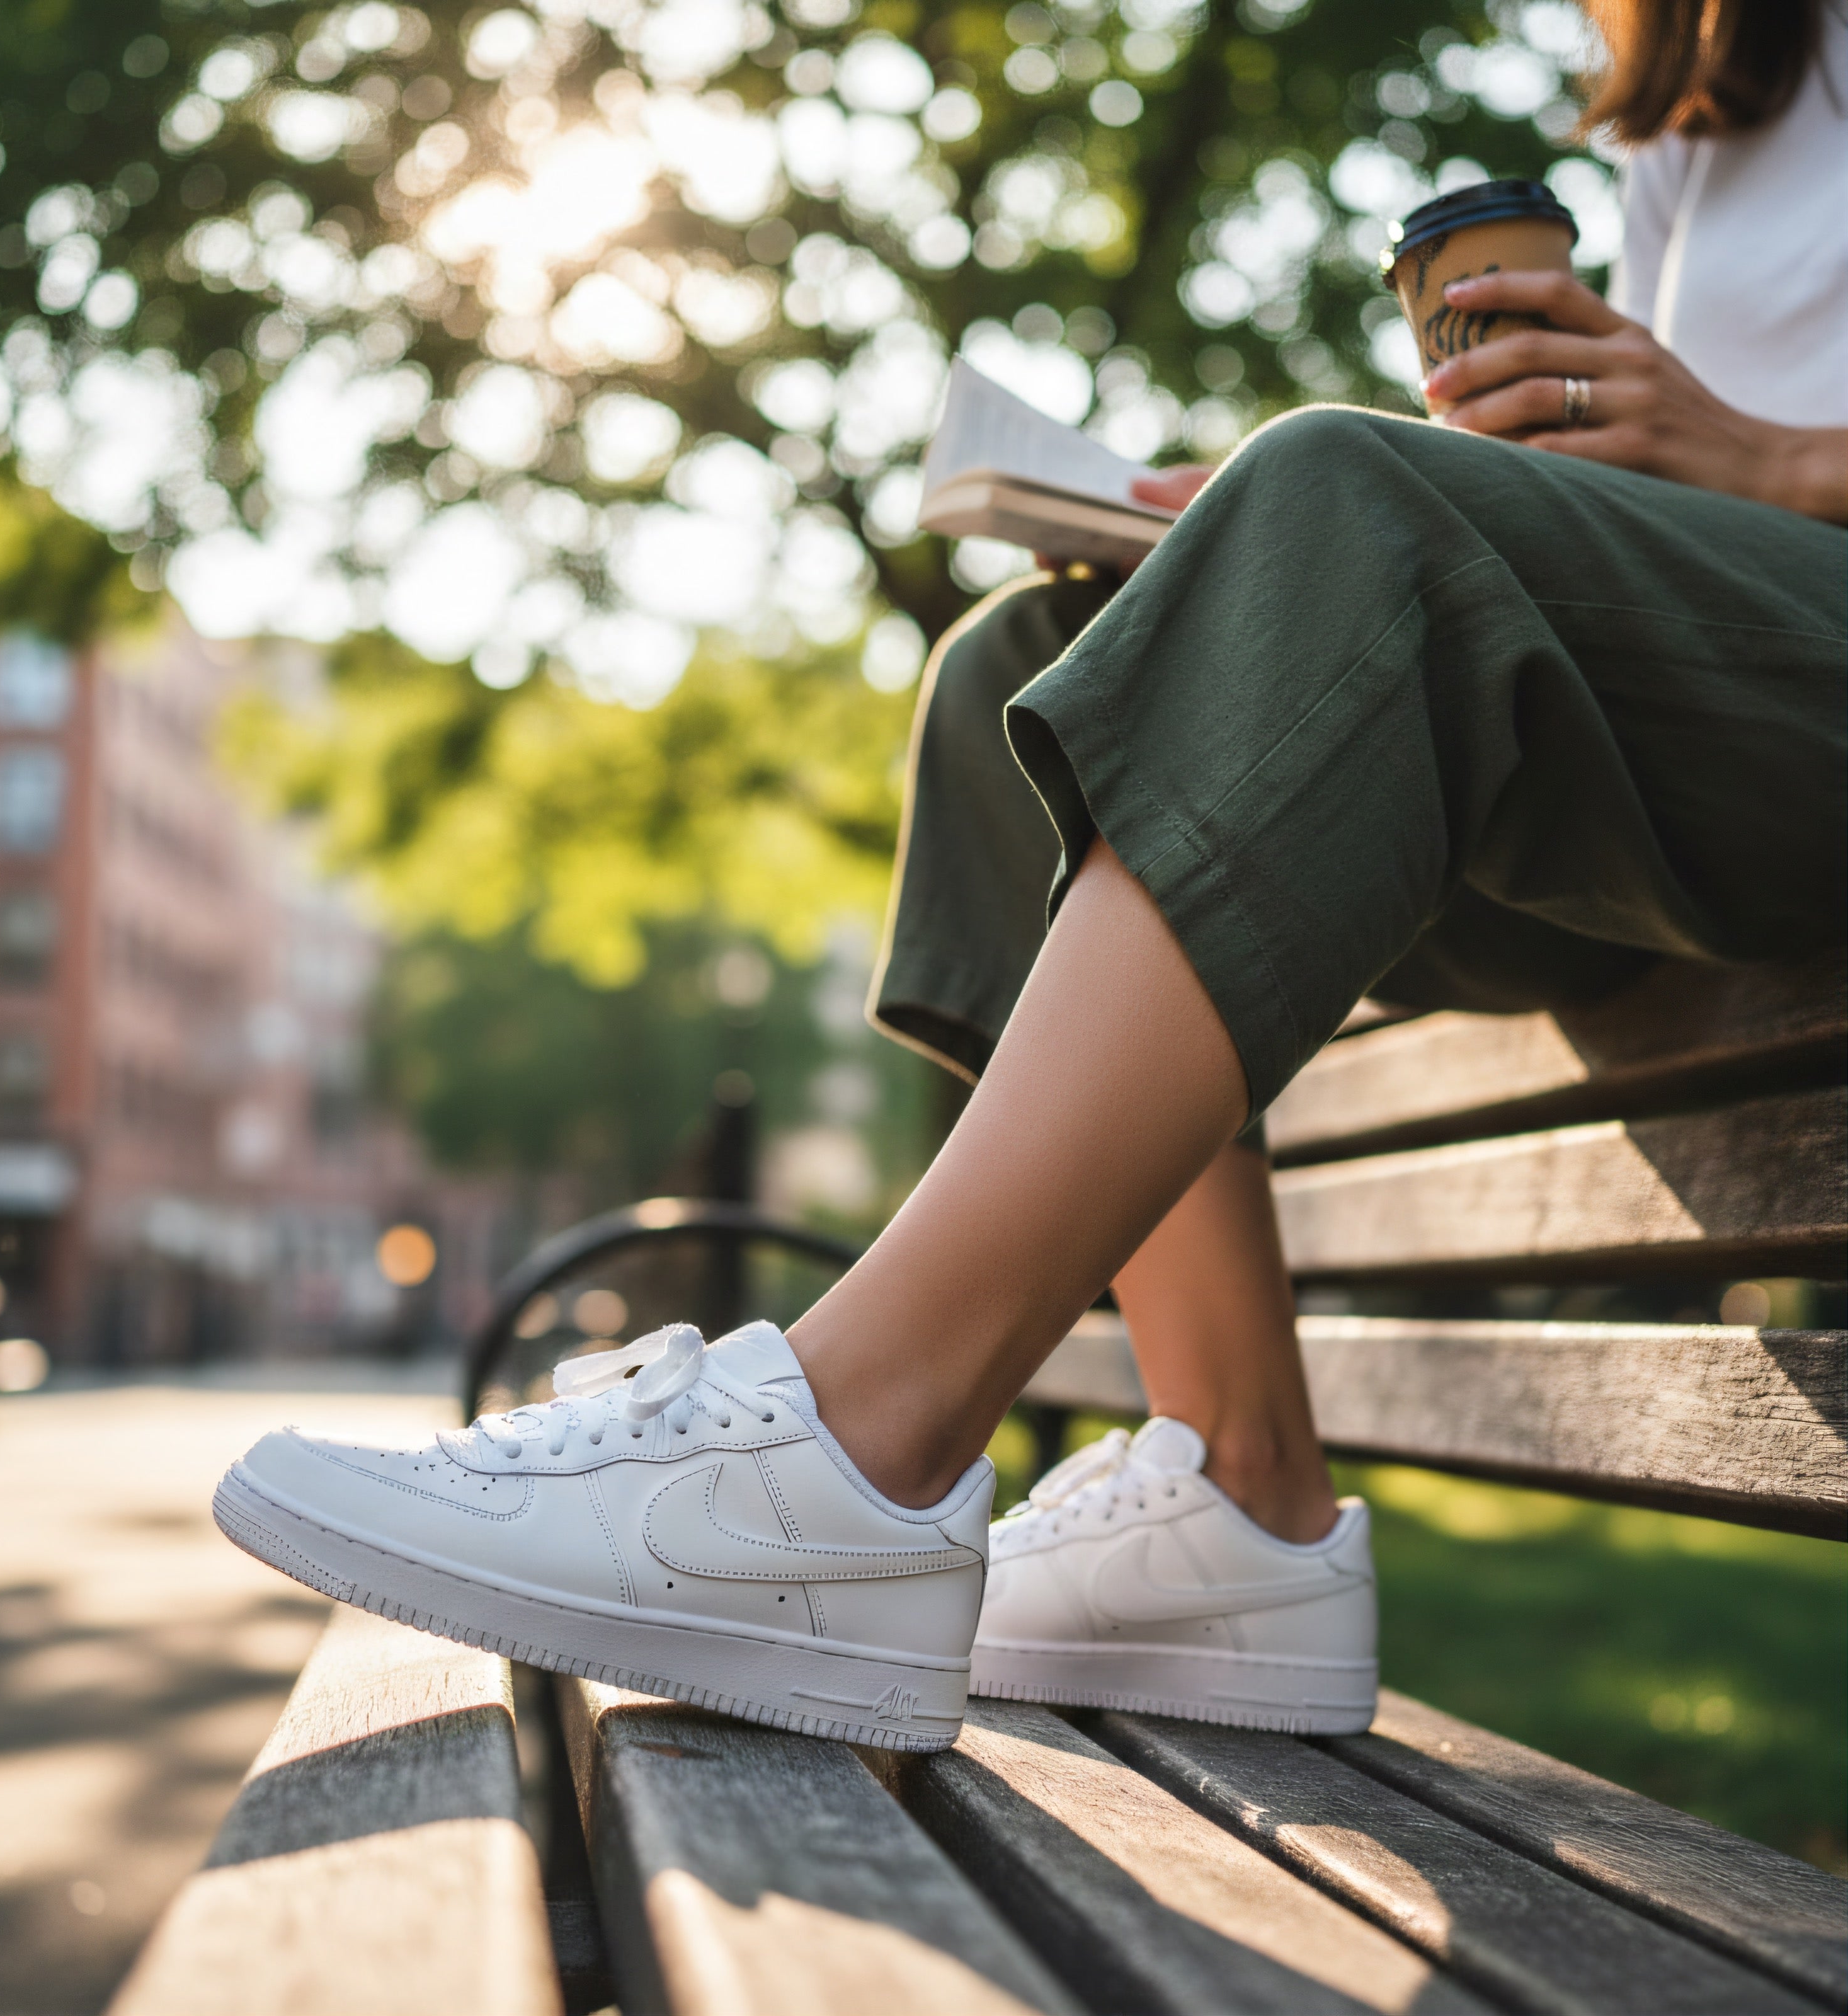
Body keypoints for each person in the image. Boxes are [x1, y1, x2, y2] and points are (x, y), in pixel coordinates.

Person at [212, 0, 1847, 1752]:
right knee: (1031, 663)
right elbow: (1653, 500)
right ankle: (1246, 1498)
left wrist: (1780, 462)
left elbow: (1754, 463)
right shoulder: (1703, 80)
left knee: (1338, 501)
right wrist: (1340, 528)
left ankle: (843, 1455)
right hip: (1698, 773)